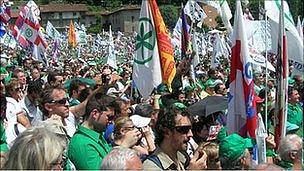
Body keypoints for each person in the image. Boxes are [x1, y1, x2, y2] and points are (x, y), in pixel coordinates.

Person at [143, 107, 207, 170]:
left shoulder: (182, 159)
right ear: (167, 132)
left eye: (190, 129)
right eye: (184, 129)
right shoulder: (151, 166)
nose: (190, 134)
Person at [68, 93, 116, 170]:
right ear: (95, 113)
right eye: (109, 117)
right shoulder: (82, 143)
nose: (111, 122)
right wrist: (124, 145)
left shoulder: (98, 135)